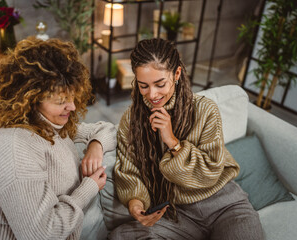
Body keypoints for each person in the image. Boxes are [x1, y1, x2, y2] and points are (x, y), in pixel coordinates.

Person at [111, 38, 264, 240]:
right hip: (177, 213)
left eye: (160, 84)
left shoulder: (205, 110)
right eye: (143, 86)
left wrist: (173, 142)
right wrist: (136, 204)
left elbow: (210, 172)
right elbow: (129, 171)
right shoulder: (131, 120)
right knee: (122, 236)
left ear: (176, 74)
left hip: (225, 205)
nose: (152, 94)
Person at [0, 37, 116, 240]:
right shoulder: (15, 150)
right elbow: (42, 234)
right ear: (31, 100)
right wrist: (88, 188)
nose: (72, 106)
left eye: (72, 96)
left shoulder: (50, 128)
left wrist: (95, 147)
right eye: (61, 101)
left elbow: (109, 129)